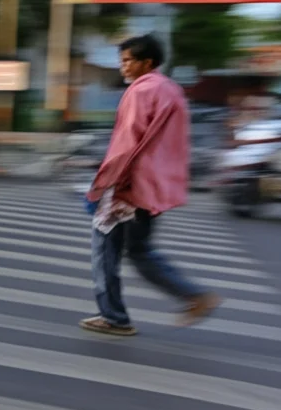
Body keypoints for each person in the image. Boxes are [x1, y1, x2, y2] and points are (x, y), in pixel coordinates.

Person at [80, 34, 221, 336]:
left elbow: (126, 144)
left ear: (146, 62)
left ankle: (115, 317)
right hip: (155, 187)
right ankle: (193, 296)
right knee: (140, 250)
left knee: (105, 250)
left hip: (128, 187)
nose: (123, 67)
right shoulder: (171, 90)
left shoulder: (141, 90)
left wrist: (100, 186)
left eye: (128, 61)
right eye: (122, 61)